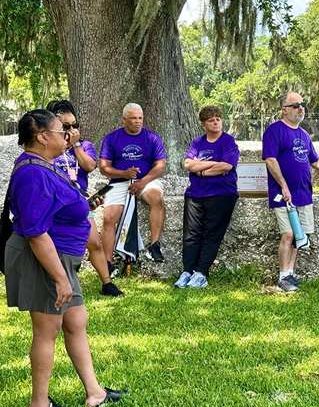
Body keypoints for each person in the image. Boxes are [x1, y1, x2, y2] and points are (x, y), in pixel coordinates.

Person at [5, 109, 127, 407]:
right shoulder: (33, 172)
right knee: (47, 330)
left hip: (60, 259)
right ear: (43, 137)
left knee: (76, 321)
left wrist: (83, 206)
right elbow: (35, 231)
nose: (69, 135)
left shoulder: (45, 166)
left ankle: (95, 393)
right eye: (63, 130)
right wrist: (60, 278)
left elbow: (55, 209)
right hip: (47, 261)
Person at [262, 92, 319, 292]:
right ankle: (282, 276)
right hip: (283, 194)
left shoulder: (304, 135)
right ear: (284, 109)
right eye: (295, 105)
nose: (300, 108)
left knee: (298, 235)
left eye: (302, 104)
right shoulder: (274, 131)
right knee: (287, 234)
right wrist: (284, 186)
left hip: (303, 193)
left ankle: (289, 274)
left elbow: (315, 161)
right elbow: (270, 159)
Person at [47, 100, 123, 297]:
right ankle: (59, 280)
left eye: (75, 125)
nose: (71, 130)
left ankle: (107, 282)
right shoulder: (49, 148)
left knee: (94, 243)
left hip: (79, 201)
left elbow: (89, 166)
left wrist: (76, 144)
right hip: (55, 204)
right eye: (66, 126)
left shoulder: (84, 145)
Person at [174, 106, 240, 289]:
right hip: (195, 194)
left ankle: (201, 273)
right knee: (191, 235)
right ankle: (187, 271)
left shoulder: (228, 141)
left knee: (211, 235)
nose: (216, 122)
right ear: (204, 125)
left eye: (218, 118)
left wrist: (201, 169)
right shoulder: (198, 143)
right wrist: (212, 164)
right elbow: (188, 164)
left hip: (221, 193)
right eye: (211, 120)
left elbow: (226, 166)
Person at [99, 103, 167, 272]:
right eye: (133, 118)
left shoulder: (152, 138)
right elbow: (103, 168)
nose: (138, 122)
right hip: (120, 181)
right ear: (124, 119)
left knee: (157, 198)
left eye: (140, 118)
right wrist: (123, 173)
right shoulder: (111, 138)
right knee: (108, 217)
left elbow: (160, 166)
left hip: (146, 180)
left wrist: (143, 181)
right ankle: (108, 263)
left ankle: (154, 245)